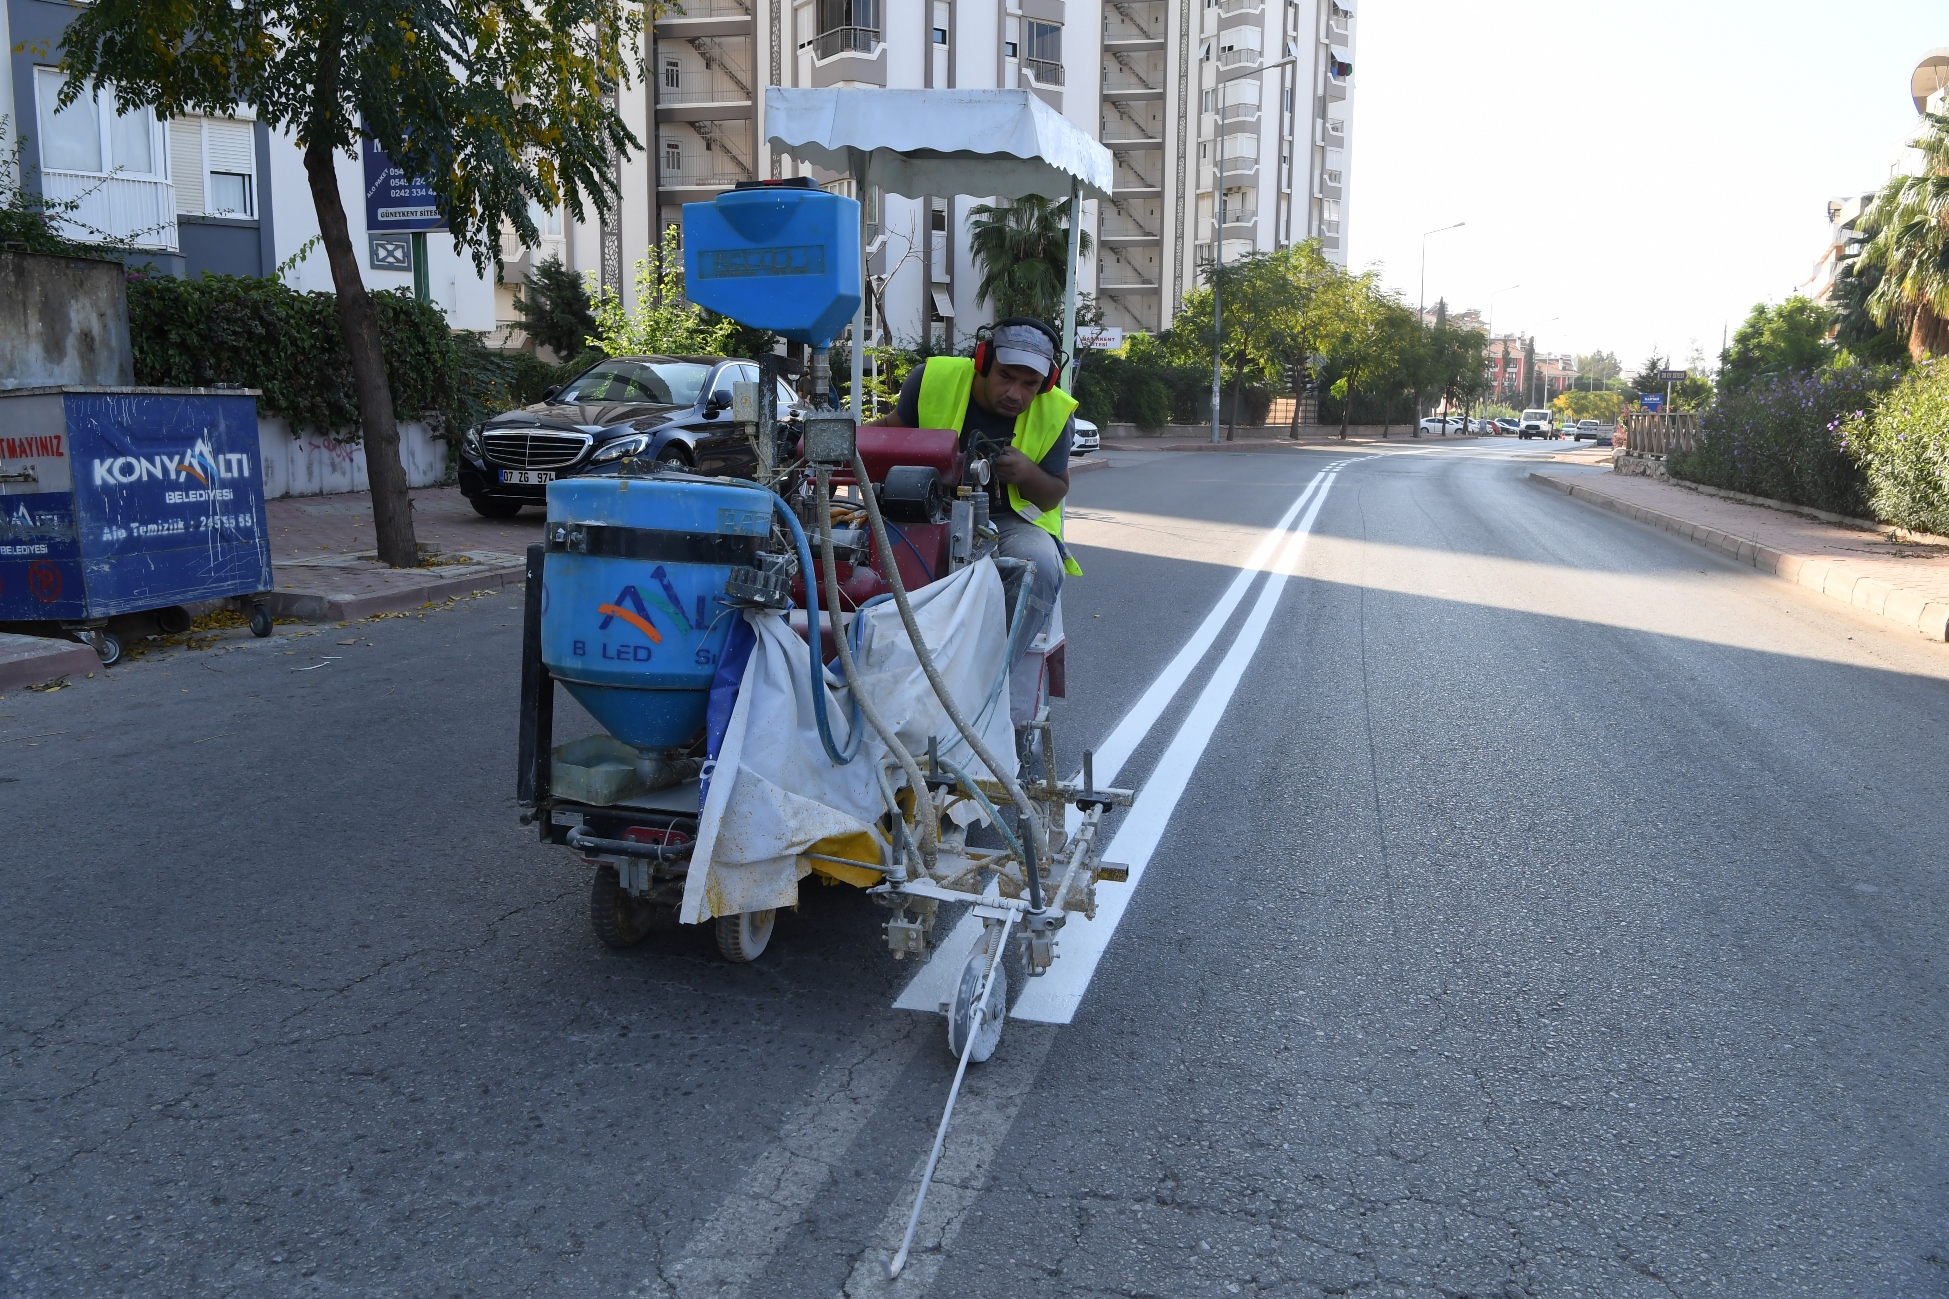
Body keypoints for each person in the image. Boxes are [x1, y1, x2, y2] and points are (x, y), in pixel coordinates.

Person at [875, 318, 1082, 650]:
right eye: (1005, 376)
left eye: (1030, 384)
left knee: (1040, 565)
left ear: (1046, 383)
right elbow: (890, 433)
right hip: (923, 511)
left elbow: (1054, 495)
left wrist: (1027, 473)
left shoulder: (1056, 412)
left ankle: (993, 670)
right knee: (866, 554)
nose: (1015, 394)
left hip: (1009, 522)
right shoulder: (932, 379)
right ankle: (893, 656)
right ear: (984, 362)